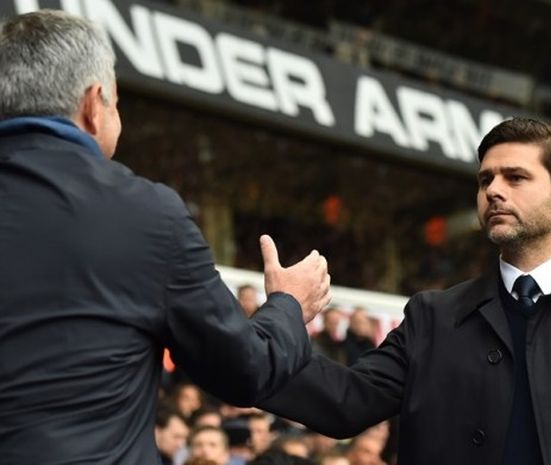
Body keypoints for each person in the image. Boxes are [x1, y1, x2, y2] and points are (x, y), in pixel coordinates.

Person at [258, 118, 551, 464]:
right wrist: (276, 319)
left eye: (515, 178)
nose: (493, 191)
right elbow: (344, 402)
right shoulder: (432, 316)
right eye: (485, 179)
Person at [0, 10, 331, 465]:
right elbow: (245, 370)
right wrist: (288, 305)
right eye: (117, 101)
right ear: (94, 104)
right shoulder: (146, 214)